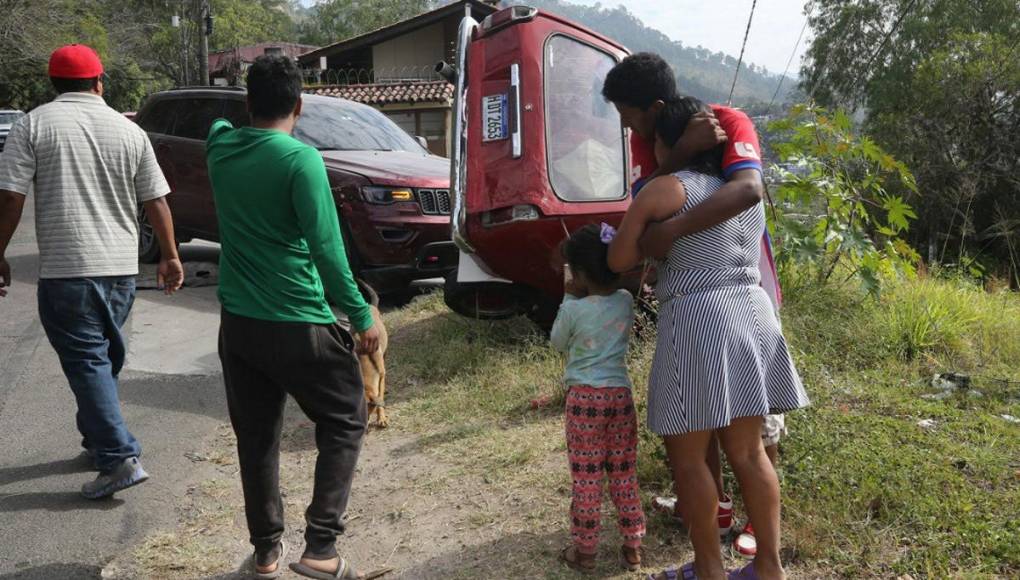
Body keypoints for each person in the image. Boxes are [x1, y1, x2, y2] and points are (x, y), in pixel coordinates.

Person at [608, 97, 809, 580]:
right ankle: (768, 567)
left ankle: (710, 571)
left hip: (698, 321)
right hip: (752, 313)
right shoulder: (735, 190)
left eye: (652, 140)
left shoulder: (664, 192)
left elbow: (618, 259)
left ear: (669, 143)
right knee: (749, 450)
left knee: (689, 457)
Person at [206, 54, 382, 580]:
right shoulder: (301, 161)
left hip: (239, 327)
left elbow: (217, 121)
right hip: (298, 323)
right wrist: (360, 314)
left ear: (247, 104)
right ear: (300, 106)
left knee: (256, 437)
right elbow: (328, 252)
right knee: (346, 417)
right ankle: (321, 550)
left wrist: (240, 112)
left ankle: (265, 555)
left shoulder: (220, 147)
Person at [0, 44, 183, 500]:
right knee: (102, 359)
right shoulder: (129, 131)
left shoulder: (33, 124)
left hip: (68, 269)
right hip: (120, 270)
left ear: (52, 84)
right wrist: (171, 255)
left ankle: (119, 456)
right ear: (100, 82)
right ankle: (99, 442)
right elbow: (155, 200)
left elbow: (10, 198)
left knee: (88, 361)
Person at [551, 224, 646, 574]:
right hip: (620, 398)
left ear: (576, 274)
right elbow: (611, 292)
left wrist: (567, 296)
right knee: (623, 473)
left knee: (587, 477)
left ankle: (585, 552)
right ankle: (633, 546)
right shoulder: (623, 302)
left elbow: (558, 342)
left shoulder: (573, 309)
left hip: (584, 403)